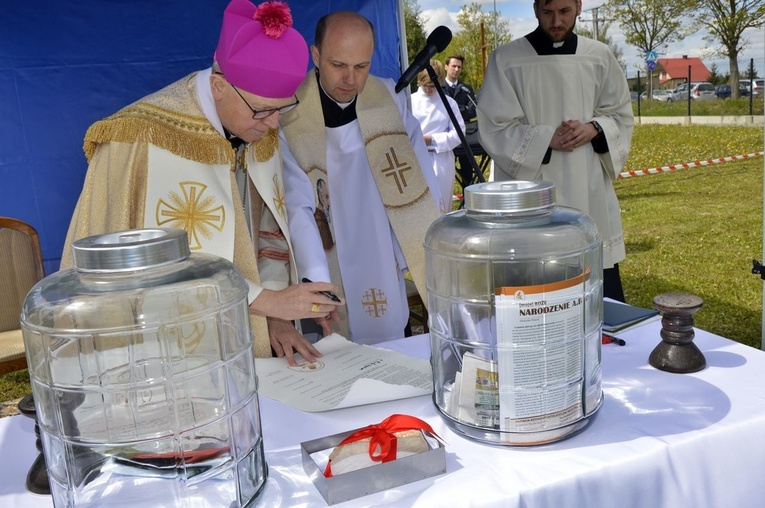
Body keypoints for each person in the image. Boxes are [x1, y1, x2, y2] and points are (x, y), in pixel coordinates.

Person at [60, 0, 344, 365]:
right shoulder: (141, 138)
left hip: (242, 331)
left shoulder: (260, 128)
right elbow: (158, 269)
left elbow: (265, 231)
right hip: (155, 347)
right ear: (218, 86)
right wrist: (267, 301)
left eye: (282, 109)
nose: (273, 124)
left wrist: (274, 316)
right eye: (262, 110)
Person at [280, 11, 442, 344]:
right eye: (338, 65)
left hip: (380, 243)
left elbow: (418, 175)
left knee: (389, 341)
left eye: (361, 66)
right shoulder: (289, 112)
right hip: (325, 242)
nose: (351, 80)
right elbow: (296, 203)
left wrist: (406, 252)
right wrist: (317, 280)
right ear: (315, 56)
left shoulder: (387, 98)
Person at [476, 0, 634, 301]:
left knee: (598, 296)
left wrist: (594, 129)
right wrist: (546, 139)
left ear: (578, 6)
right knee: (533, 291)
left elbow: (620, 115)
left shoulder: (599, 57)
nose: (556, 21)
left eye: (564, 11)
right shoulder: (507, 60)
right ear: (535, 9)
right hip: (531, 195)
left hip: (587, 188)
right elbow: (494, 127)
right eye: (548, 13)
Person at [411, 60, 465, 208]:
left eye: (432, 86)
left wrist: (432, 140)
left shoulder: (449, 103)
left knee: (441, 204)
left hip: (441, 160)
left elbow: (459, 134)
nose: (429, 90)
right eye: (425, 86)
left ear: (439, 81)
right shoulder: (409, 102)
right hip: (415, 158)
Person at [443, 55, 480, 189]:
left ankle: (467, 199)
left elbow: (473, 111)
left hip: (465, 136)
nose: (456, 69)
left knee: (467, 172)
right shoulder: (439, 88)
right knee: (445, 172)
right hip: (445, 135)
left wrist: (454, 107)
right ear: (446, 67)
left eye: (459, 67)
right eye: (453, 66)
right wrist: (462, 108)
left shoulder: (466, 89)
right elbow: (441, 110)